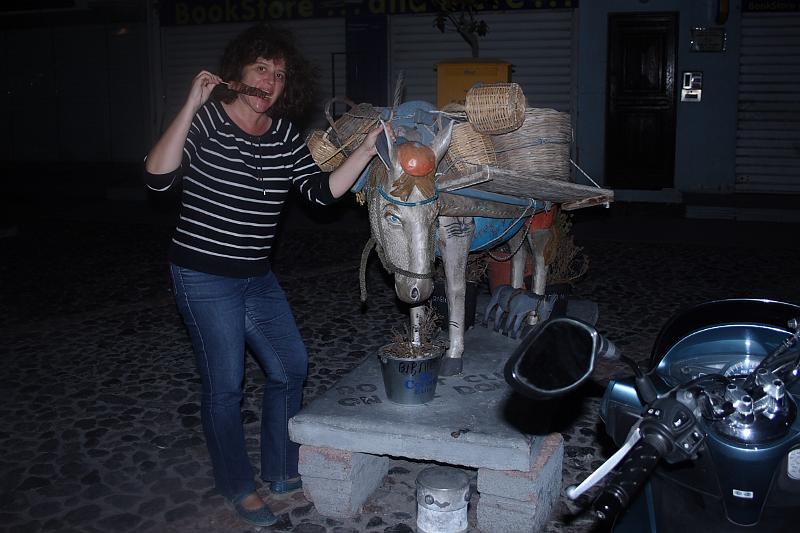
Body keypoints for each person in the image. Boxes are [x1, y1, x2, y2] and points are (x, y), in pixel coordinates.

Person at [143, 24, 382, 527]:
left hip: (256, 275)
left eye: (280, 74)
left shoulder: (284, 135)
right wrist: (190, 104)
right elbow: (158, 178)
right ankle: (236, 485)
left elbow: (320, 193)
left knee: (290, 366)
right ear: (238, 73)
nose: (270, 81)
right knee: (225, 386)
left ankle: (281, 469)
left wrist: (366, 150)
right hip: (202, 275)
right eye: (261, 69)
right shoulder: (207, 121)